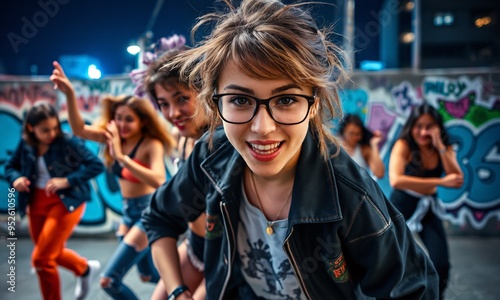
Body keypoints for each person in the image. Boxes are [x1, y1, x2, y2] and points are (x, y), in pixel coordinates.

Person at [142, 0, 439, 299]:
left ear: (314, 104)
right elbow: (159, 218)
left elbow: (413, 290)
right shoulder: (211, 158)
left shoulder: (351, 194)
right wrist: (177, 290)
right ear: (216, 102)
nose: (262, 127)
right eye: (240, 100)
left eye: (285, 100)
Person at [50, 61, 176, 299]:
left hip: (148, 213)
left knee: (109, 281)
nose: (121, 125)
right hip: (127, 214)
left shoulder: (151, 144)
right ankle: (189, 287)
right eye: (118, 118)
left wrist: (121, 157)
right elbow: (79, 129)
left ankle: (189, 286)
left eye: (129, 119)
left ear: (142, 122)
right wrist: (69, 93)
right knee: (148, 275)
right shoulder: (113, 137)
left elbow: (159, 178)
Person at [5, 102, 104, 300]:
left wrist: (67, 180)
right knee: (50, 253)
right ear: (31, 128)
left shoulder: (66, 142)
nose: (52, 133)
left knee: (41, 259)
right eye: (45, 130)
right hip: (35, 203)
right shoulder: (26, 143)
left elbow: (96, 165)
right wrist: (15, 178)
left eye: (54, 127)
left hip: (67, 203)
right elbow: (10, 166)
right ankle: (84, 269)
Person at [141, 36, 209, 300]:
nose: (173, 113)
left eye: (182, 99)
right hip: (194, 246)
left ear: (205, 92)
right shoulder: (181, 138)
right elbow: (159, 216)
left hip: (229, 255)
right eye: (163, 104)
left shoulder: (224, 144)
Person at [388, 103, 464, 299]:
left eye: (429, 126)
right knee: (389, 260)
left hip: (428, 207)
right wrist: (440, 181)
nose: (423, 131)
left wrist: (440, 147)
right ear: (411, 126)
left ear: (437, 127)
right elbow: (396, 180)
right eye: (418, 126)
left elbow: (456, 178)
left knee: (441, 264)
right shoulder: (403, 145)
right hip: (401, 205)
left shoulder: (443, 147)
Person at [338, 114, 385, 178]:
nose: (354, 137)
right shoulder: (334, 147)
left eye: (357, 134)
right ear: (343, 132)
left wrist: (374, 145)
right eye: (351, 133)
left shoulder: (363, 150)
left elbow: (379, 173)